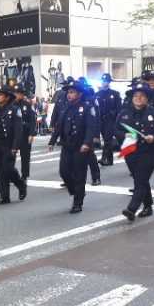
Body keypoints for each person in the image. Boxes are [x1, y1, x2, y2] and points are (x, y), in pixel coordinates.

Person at [116, 83, 154, 221]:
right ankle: (148, 206)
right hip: (130, 151)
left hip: (149, 152)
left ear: (147, 98)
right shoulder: (124, 113)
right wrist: (124, 136)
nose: (138, 98)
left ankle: (131, 209)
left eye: (142, 96)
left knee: (140, 181)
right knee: (141, 180)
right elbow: (116, 130)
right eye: (136, 96)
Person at [48, 79, 96, 214]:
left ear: (79, 94)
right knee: (63, 171)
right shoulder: (66, 108)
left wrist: (87, 143)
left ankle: (78, 202)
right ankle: (75, 191)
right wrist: (52, 141)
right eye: (68, 92)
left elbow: (91, 127)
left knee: (80, 174)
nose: (69, 95)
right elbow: (59, 126)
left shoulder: (87, 106)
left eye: (72, 92)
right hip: (67, 145)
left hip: (81, 146)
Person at [0, 82, 27, 204]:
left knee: (8, 169)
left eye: (0, 95)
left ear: (7, 97)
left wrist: (15, 147)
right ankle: (4, 196)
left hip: (9, 144)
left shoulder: (15, 110)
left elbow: (18, 130)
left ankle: (20, 184)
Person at [79, 77, 102, 186]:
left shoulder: (91, 99)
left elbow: (96, 118)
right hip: (76, 133)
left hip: (88, 132)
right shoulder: (73, 99)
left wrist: (96, 135)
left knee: (90, 157)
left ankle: (96, 177)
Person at [97, 73, 121, 166]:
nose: (104, 83)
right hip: (101, 120)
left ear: (109, 82)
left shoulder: (114, 94)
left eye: (106, 81)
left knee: (107, 139)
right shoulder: (98, 94)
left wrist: (115, 115)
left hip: (111, 120)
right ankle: (110, 160)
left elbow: (119, 108)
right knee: (107, 139)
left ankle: (104, 158)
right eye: (103, 81)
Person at [14, 82, 36, 179]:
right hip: (14, 134)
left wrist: (31, 134)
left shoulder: (27, 104)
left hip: (25, 133)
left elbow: (32, 119)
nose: (17, 95)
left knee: (25, 156)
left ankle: (24, 174)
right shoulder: (11, 105)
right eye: (16, 93)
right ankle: (11, 174)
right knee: (10, 155)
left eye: (19, 93)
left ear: (22, 94)